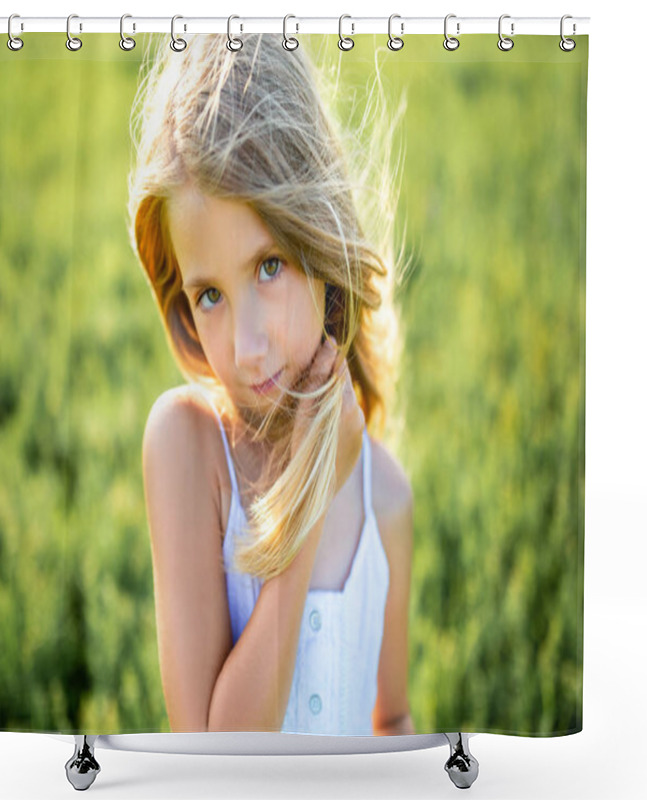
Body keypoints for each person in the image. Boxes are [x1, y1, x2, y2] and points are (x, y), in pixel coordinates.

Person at [127, 33, 415, 736]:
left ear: (318, 239)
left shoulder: (387, 496)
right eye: (209, 296)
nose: (248, 348)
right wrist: (311, 495)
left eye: (268, 267)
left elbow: (395, 719)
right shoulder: (188, 447)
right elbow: (215, 754)